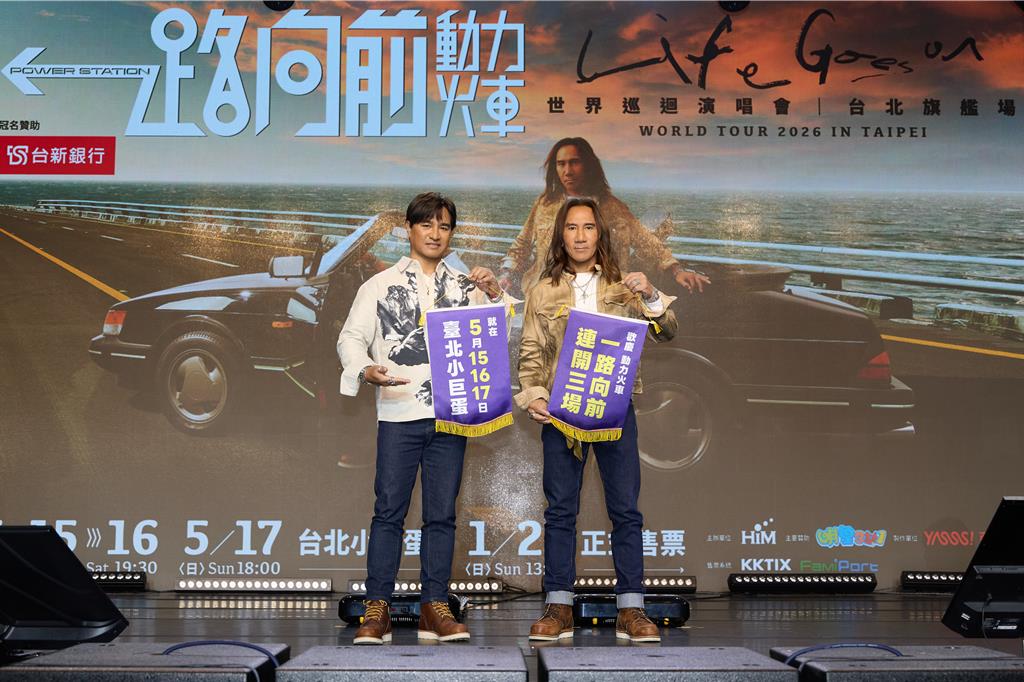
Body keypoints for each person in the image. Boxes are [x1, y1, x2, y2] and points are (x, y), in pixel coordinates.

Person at [337, 192, 503, 644]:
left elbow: (495, 338)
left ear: (452, 234)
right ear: (408, 229)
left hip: (451, 415)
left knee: (442, 515)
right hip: (399, 412)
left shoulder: (466, 286)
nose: (435, 233)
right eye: (426, 224)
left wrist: (494, 293)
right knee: (388, 511)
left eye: (444, 226)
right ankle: (377, 607)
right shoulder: (379, 285)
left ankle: (435, 606)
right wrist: (364, 368)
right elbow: (350, 339)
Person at [515, 196, 678, 643]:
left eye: (588, 227)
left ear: (600, 233)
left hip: (615, 408)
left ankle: (632, 608)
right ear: (561, 235)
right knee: (560, 511)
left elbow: (668, 331)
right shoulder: (542, 290)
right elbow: (530, 353)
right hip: (562, 411)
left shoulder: (625, 286)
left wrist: (650, 295)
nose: (581, 236)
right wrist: (535, 395)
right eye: (572, 228)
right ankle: (558, 607)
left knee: (625, 510)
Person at [498, 137, 710, 295]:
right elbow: (522, 243)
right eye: (561, 164)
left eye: (574, 162)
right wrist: (506, 275)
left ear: (588, 165)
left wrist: (677, 270)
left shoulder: (613, 207)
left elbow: (645, 241)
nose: (567, 170)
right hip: (547, 295)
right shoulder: (544, 204)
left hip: (601, 296)